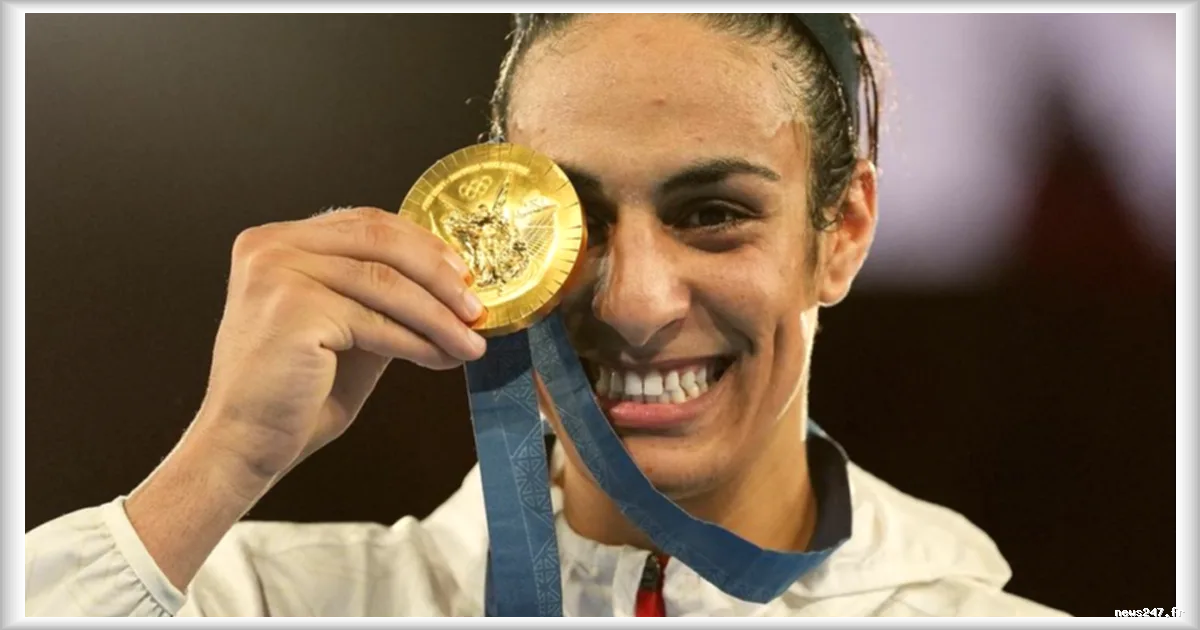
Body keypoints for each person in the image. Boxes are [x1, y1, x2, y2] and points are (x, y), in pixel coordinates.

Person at [24, 13, 1070, 617]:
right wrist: (221, 459)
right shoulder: (268, 600)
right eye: (578, 217)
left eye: (714, 215)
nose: (637, 302)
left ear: (841, 233)